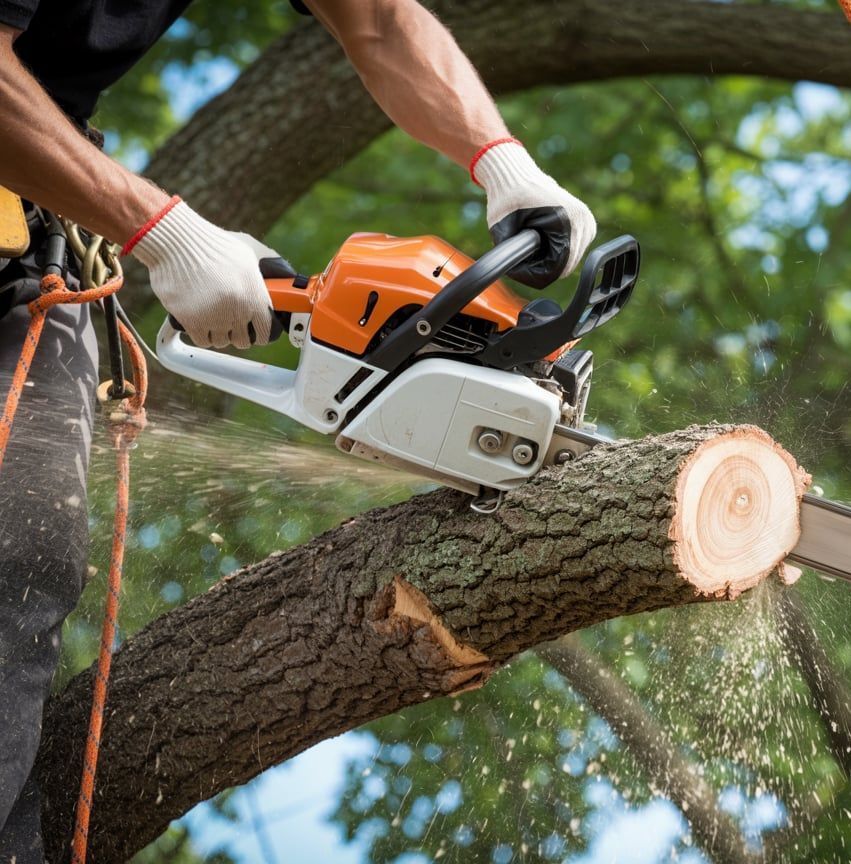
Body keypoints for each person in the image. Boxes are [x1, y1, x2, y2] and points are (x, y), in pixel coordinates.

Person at [0, 0, 597, 859]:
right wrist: (160, 231)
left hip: (25, 229)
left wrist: (499, 157)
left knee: (28, 547)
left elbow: (382, 19)